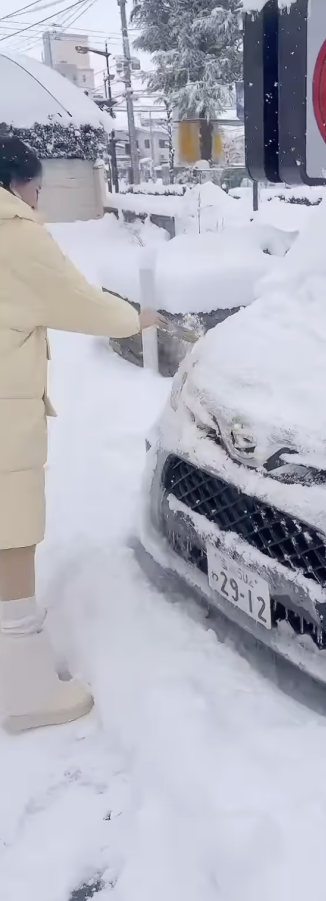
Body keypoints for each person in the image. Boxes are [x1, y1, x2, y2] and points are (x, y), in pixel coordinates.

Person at [0, 136, 158, 734]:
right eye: (37, 187)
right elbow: (76, 301)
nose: (38, 199)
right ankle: (26, 692)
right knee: (11, 536)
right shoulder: (13, 232)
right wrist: (135, 317)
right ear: (19, 181)